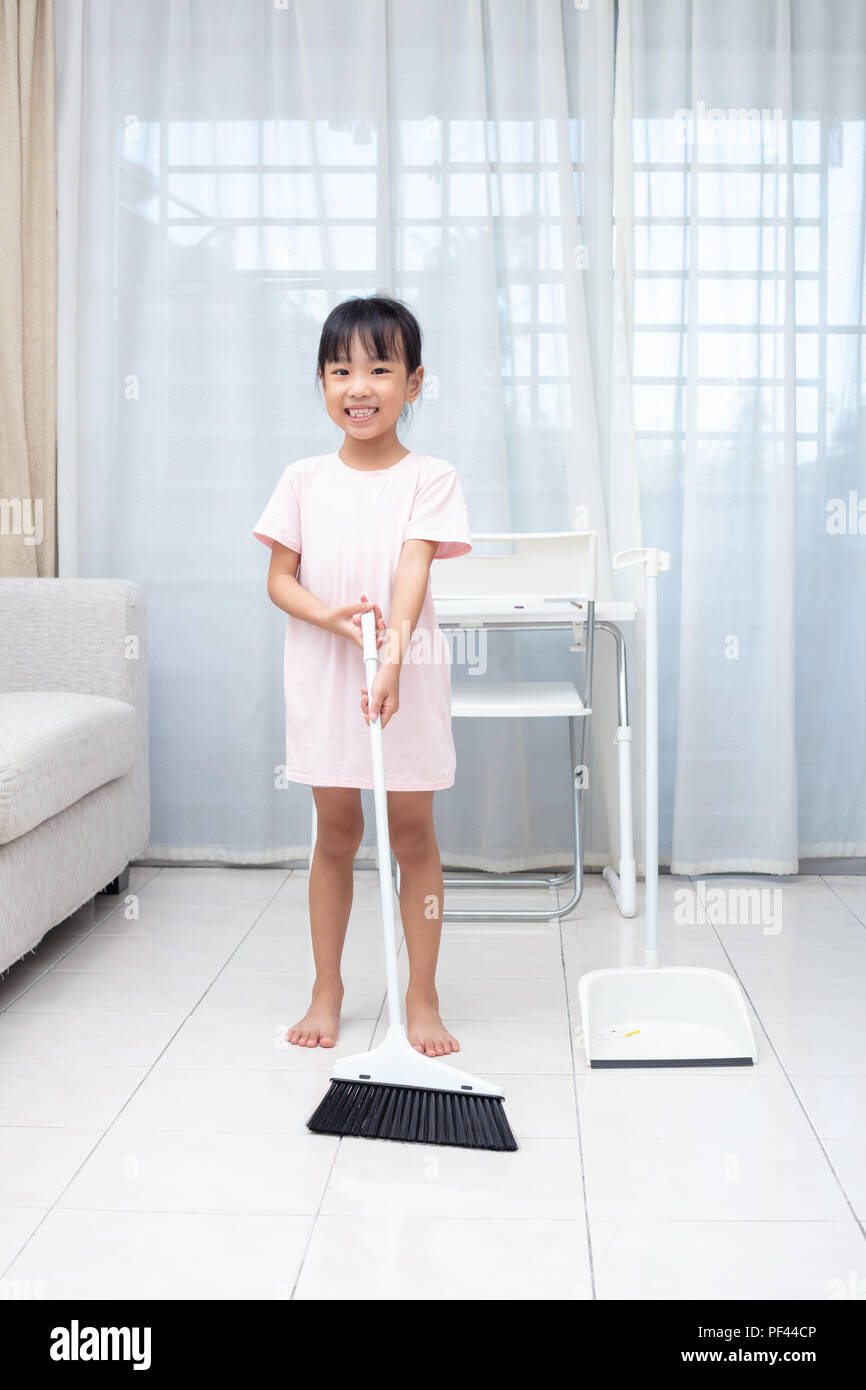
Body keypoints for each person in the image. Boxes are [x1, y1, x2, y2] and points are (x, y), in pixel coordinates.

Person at [252, 294, 473, 1058]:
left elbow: (414, 567)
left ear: (413, 384)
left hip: (403, 671)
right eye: (341, 369)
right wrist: (333, 621)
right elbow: (280, 578)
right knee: (336, 831)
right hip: (323, 673)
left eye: (381, 368)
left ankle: (421, 994)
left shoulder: (431, 478)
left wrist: (392, 656)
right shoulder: (303, 479)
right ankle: (327, 988)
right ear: (321, 383)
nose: (360, 386)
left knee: (413, 835)